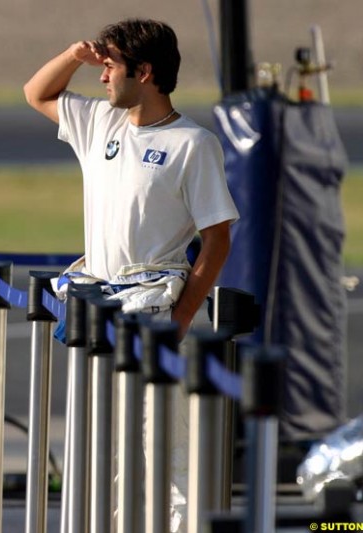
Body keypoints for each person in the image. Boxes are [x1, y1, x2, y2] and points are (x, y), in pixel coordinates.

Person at [23, 18, 240, 532]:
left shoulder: (193, 144)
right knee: (102, 448)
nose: (101, 76)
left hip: (156, 314)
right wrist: (77, 53)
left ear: (144, 72)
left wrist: (181, 318)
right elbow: (37, 93)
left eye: (111, 65)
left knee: (165, 451)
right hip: (99, 315)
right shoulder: (101, 123)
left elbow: (218, 237)